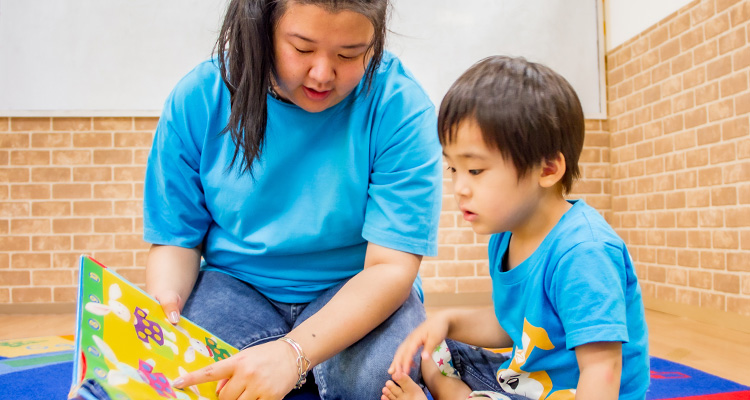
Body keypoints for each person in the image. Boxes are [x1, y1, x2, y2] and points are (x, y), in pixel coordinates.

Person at [142, 0, 443, 399]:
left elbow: (391, 269)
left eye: (349, 54)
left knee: (383, 384)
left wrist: (294, 353)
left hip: (354, 287)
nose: (322, 74)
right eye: (301, 49)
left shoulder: (400, 106)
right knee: (191, 376)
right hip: (236, 285)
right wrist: (167, 298)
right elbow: (176, 241)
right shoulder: (199, 96)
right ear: (260, 29)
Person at [383, 56, 649, 400]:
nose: (460, 187)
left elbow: (602, 370)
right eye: (452, 169)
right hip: (527, 380)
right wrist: (446, 320)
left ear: (548, 168)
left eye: (475, 171)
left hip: (580, 391)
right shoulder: (505, 236)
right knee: (435, 349)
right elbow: (512, 327)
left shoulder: (584, 252)